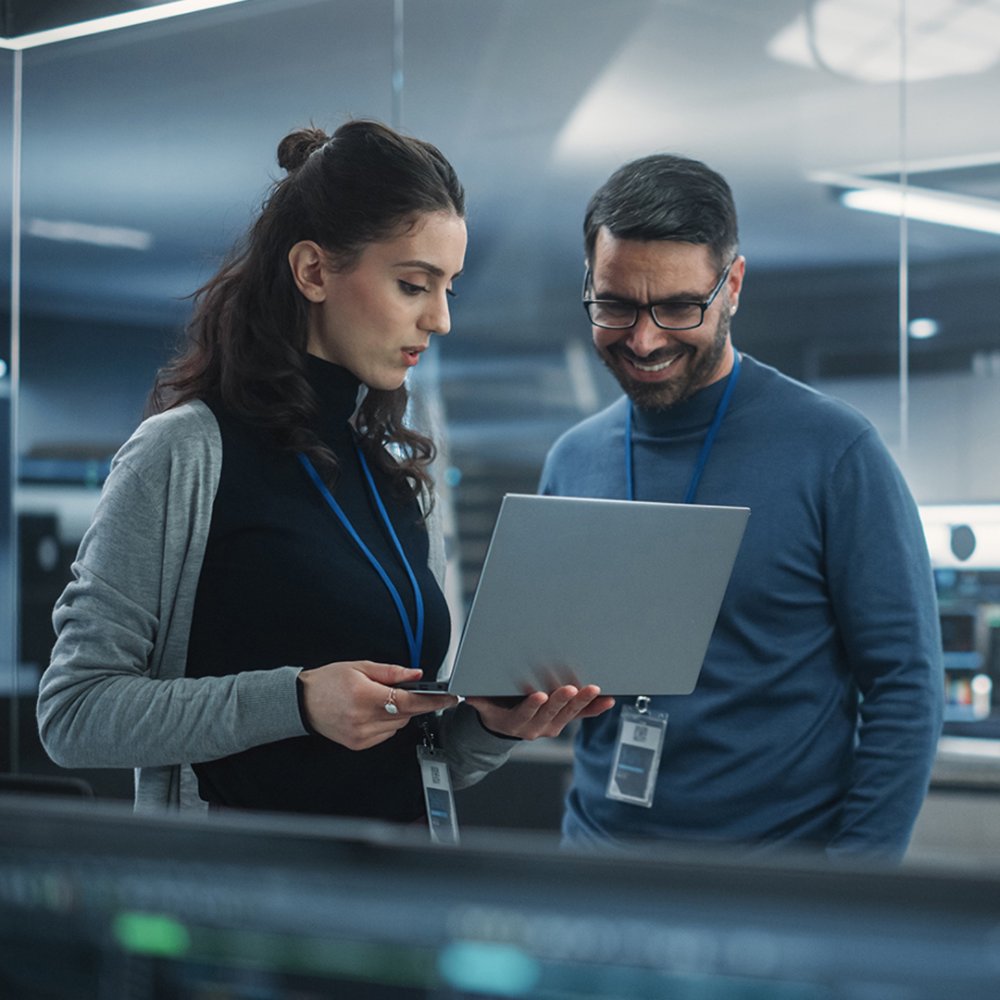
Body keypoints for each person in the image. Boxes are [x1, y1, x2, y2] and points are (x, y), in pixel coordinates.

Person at [37, 118, 612, 821]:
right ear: (313, 271)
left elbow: (420, 759)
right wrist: (298, 701)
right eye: (413, 285)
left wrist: (494, 727)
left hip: (400, 878)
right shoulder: (183, 452)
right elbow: (74, 713)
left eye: (449, 290)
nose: (440, 320)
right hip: (243, 883)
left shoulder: (397, 473)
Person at [539, 152, 944, 861]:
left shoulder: (835, 452)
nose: (643, 340)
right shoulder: (572, 460)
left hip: (776, 880)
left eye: (678, 307)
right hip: (598, 866)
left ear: (732, 286)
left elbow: (906, 685)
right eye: (616, 305)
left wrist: (851, 882)